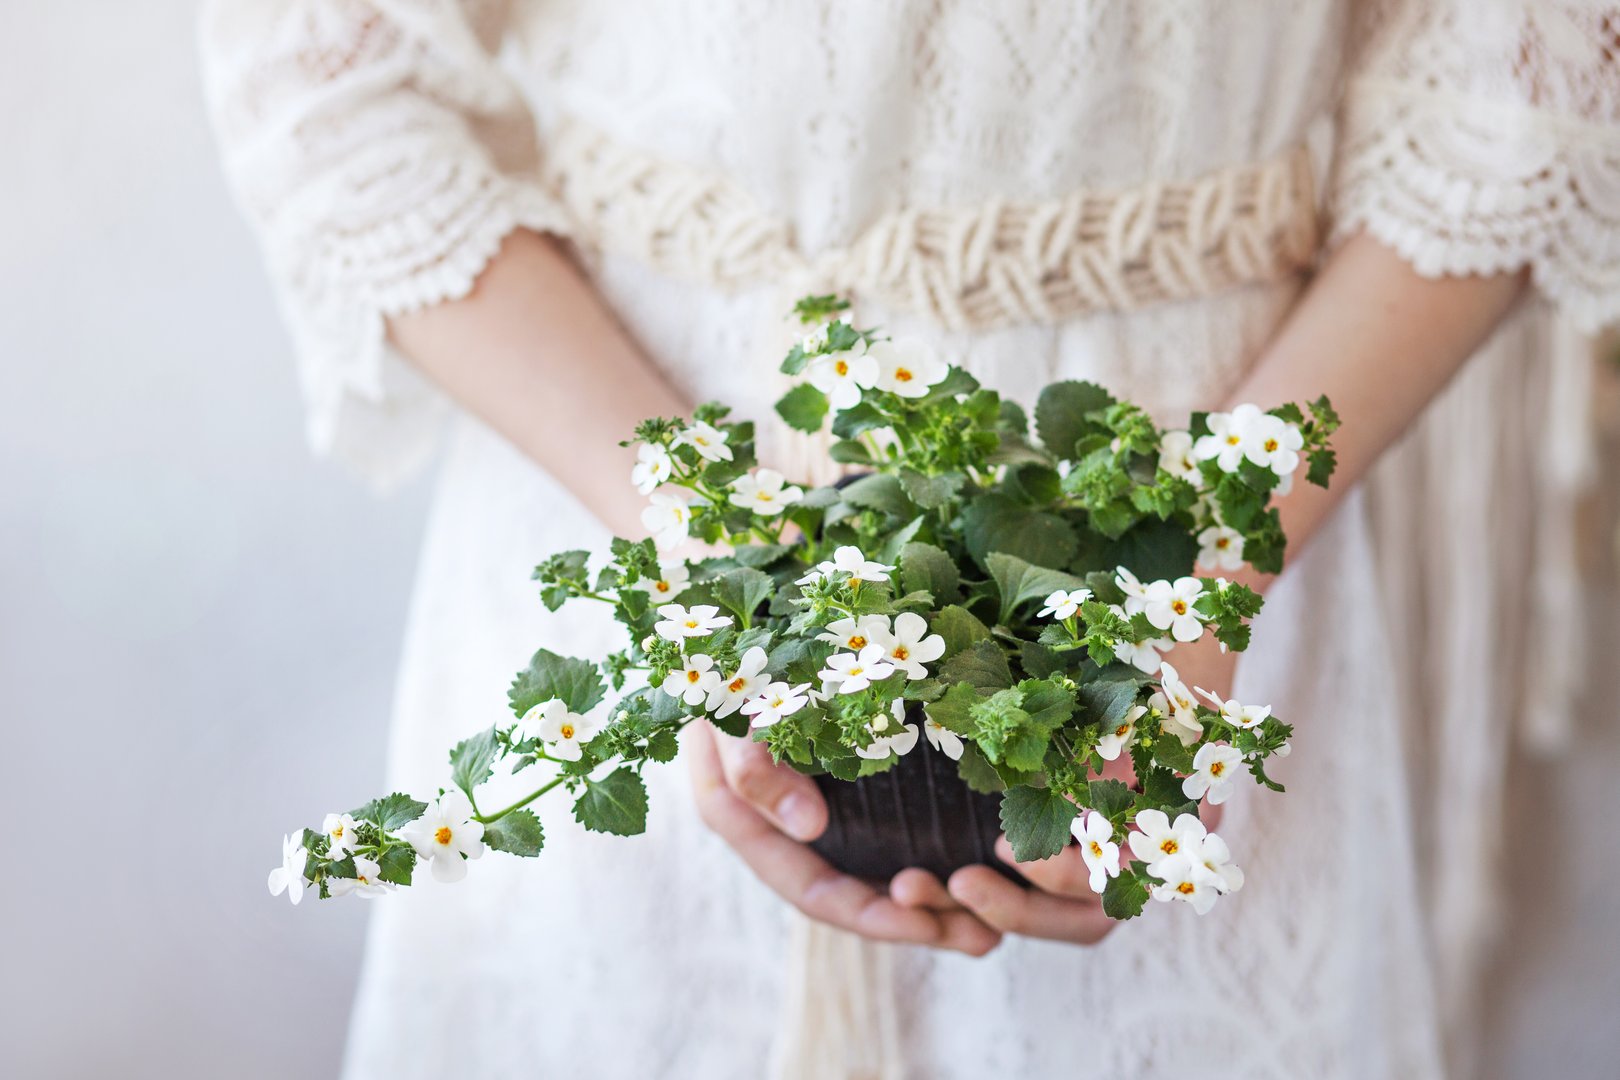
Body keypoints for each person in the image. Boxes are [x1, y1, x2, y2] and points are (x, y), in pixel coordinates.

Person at [201, 2, 1618, 1076]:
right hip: (630, 469)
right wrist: (704, 548)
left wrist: (1202, 580)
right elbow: (320, 70)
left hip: (1201, 525)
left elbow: (1528, 75)